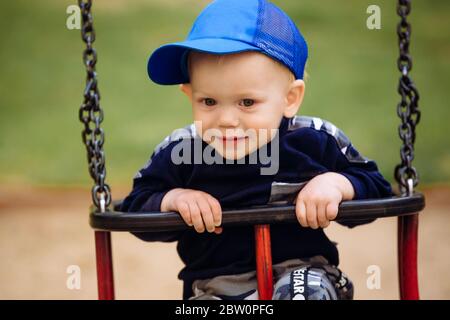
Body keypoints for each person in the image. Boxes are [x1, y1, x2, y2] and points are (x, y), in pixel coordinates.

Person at [121, 0, 392, 300]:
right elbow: (136, 207)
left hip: (302, 272)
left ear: (290, 98)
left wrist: (338, 184)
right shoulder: (180, 151)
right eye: (208, 101)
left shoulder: (313, 140)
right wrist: (174, 199)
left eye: (247, 103)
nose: (226, 120)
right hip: (214, 284)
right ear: (190, 95)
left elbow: (377, 188)